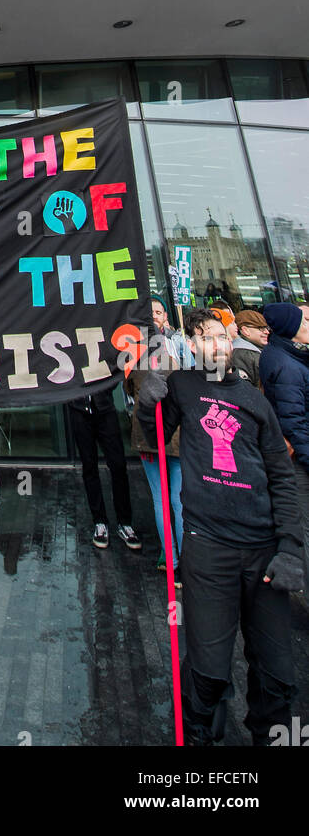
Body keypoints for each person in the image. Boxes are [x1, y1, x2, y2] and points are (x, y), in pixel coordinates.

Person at [138, 307, 304, 746]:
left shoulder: (255, 401)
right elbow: (156, 437)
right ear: (192, 345)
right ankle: (199, 737)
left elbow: (282, 478)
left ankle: (270, 737)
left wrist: (289, 546)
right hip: (208, 545)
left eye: (223, 337)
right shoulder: (184, 387)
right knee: (208, 667)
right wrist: (146, 401)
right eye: (208, 338)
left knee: (276, 672)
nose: (219, 345)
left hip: (263, 548)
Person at [258, 302, 309, 591]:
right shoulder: (287, 365)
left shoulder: (288, 358)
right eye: (305, 322)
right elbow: (294, 422)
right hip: (297, 456)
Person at [129, 342, 182, 581]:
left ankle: (170, 559)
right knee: (179, 500)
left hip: (147, 437)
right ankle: (187, 559)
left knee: (160, 499)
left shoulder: (132, 363)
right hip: (176, 438)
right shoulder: (174, 362)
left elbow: (129, 391)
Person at [67, 388, 142, 551]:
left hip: (104, 407)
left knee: (118, 465)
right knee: (89, 466)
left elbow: (112, 369)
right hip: (79, 409)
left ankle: (125, 523)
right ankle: (100, 522)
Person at [230, 309, 269, 387]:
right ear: (245, 330)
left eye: (267, 328)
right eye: (261, 328)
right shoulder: (244, 354)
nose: (267, 332)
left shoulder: (248, 351)